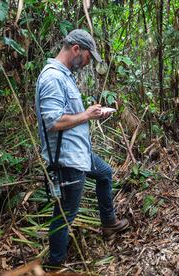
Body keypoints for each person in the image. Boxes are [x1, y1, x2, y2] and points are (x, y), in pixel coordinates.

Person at [35, 29, 128, 267]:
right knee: (65, 214)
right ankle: (54, 266)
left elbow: (70, 115)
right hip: (66, 159)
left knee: (105, 173)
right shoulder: (53, 77)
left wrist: (92, 114)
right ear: (76, 49)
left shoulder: (64, 76)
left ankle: (109, 223)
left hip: (79, 153)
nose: (88, 63)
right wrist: (86, 114)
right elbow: (53, 122)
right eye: (88, 57)